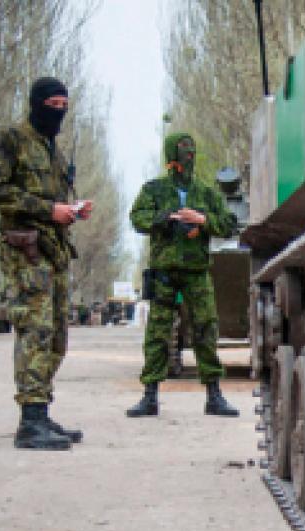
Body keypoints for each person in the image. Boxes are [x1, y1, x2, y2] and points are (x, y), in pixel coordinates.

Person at [0, 76, 90, 451]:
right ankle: (29, 421)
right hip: (25, 252)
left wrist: (72, 211)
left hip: (53, 252)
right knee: (36, 330)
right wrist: (48, 210)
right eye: (53, 105)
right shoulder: (12, 140)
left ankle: (41, 413)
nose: (58, 113)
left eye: (64, 107)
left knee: (56, 336)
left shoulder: (52, 151)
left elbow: (55, 202)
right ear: (37, 103)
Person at [125, 132, 238, 418]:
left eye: (189, 152)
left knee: (206, 329)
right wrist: (166, 218)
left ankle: (214, 394)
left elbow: (228, 225)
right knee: (158, 333)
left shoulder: (207, 193)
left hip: (197, 272)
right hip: (164, 272)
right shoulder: (154, 190)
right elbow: (137, 218)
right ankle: (150, 395)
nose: (185, 158)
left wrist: (202, 220)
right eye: (180, 152)